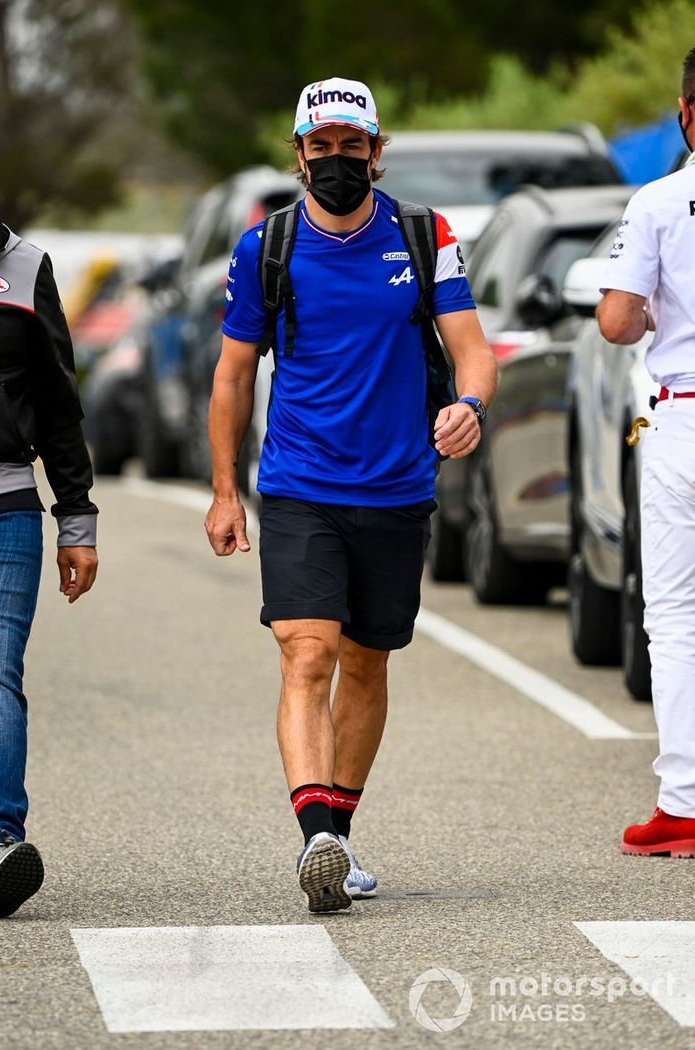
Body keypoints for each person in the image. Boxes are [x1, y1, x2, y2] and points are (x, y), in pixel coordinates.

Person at [205, 77, 497, 911]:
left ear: (378, 149)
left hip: (399, 488)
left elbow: (471, 348)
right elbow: (230, 377)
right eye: (321, 147)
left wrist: (470, 406)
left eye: (352, 145)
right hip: (299, 484)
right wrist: (226, 492)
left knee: (367, 663)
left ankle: (339, 826)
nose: (337, 160)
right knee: (308, 652)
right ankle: (317, 841)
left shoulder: (422, 233)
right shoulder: (266, 247)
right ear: (298, 155)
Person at [597, 46, 695, 857]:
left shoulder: (661, 200)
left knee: (675, 619)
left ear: (686, 114)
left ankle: (684, 803)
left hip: (684, 418)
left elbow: (620, 319)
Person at [0, 215, 98, 915]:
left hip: (6, 505)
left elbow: (60, 404)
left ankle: (1, 840)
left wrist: (77, 520)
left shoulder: (27, 268)